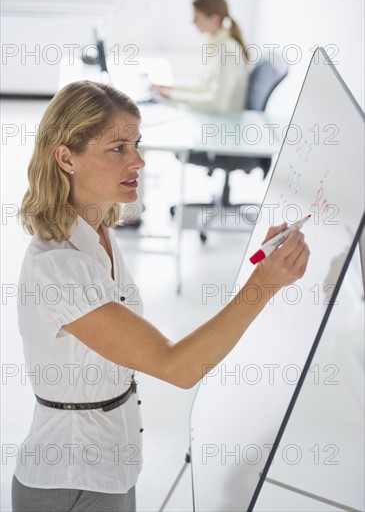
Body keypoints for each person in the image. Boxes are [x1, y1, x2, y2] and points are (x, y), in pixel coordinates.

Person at [12, 80, 309, 512]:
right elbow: (177, 366)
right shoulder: (58, 267)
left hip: (112, 466)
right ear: (65, 157)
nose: (139, 160)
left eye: (136, 143)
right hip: (70, 482)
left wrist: (261, 271)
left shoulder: (98, 232)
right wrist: (263, 285)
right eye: (117, 148)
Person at [151, 0, 250, 112]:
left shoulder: (228, 51)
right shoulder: (214, 43)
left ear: (214, 19)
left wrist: (172, 96)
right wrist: (168, 88)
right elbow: (202, 86)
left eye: (197, 17)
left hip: (222, 121)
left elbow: (217, 104)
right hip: (213, 115)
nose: (193, 22)